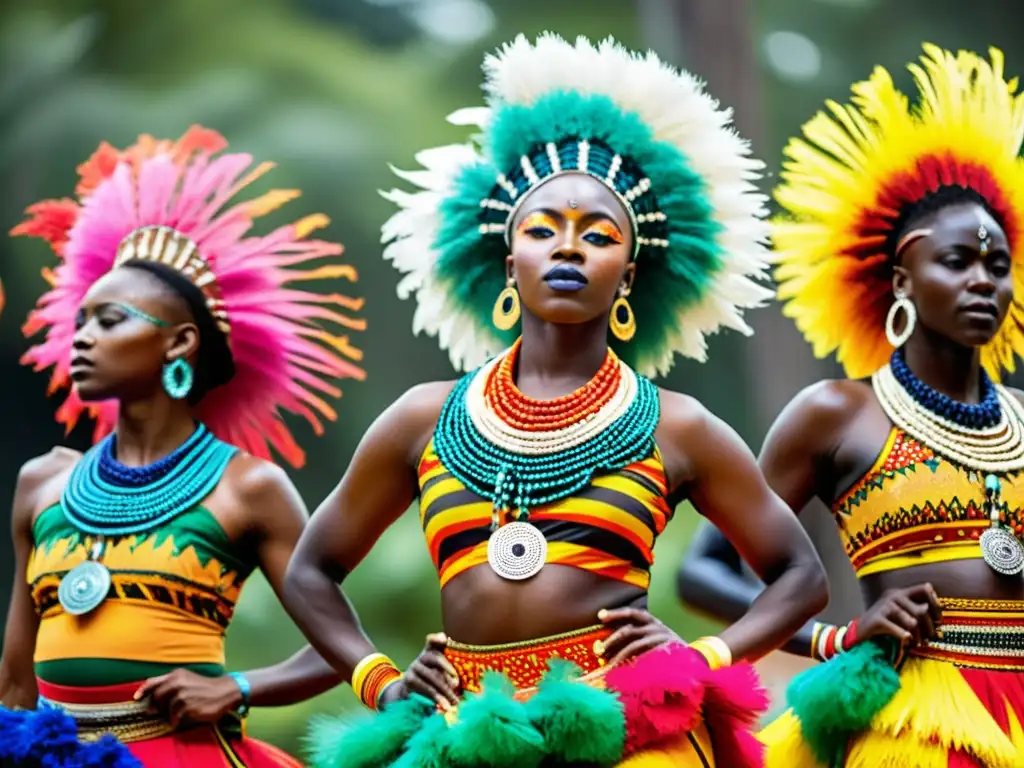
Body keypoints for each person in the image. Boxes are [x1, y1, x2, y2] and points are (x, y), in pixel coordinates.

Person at [283, 34, 828, 768]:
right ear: (511, 263)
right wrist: (379, 680)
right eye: (543, 230)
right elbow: (310, 570)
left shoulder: (678, 426)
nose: (568, 248)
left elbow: (801, 576)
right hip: (466, 730)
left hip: (628, 730)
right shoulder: (425, 417)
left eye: (598, 235)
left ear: (627, 276)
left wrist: (704, 656)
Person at [678, 45, 1024, 766]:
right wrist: (838, 636)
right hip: (915, 722)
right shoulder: (837, 413)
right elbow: (706, 572)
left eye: (998, 265)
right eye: (956, 262)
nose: (984, 282)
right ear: (900, 278)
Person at [0, 126, 366, 765]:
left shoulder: (247, 488)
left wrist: (238, 687)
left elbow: (341, 650)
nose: (80, 338)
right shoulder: (43, 483)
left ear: (180, 344)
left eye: (109, 322)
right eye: (79, 321)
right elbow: (14, 681)